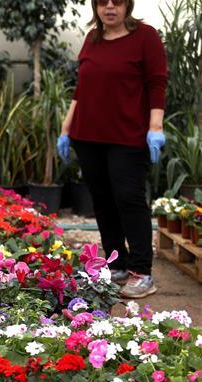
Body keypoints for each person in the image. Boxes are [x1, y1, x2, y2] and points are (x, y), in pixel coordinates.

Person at [57, 0, 167, 299]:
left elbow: (157, 84)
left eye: (117, 1)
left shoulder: (146, 36)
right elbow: (82, 90)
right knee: (102, 200)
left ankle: (143, 272)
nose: (109, 7)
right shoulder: (92, 38)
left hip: (128, 136)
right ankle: (117, 263)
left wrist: (155, 128)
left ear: (127, 5)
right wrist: (66, 130)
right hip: (87, 135)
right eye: (102, 1)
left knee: (129, 199)